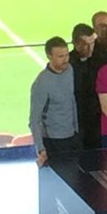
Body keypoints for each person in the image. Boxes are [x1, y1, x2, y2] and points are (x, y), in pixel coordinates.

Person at [29, 36, 79, 166]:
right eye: (60, 56)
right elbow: (34, 120)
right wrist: (41, 149)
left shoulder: (70, 70)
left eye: (67, 55)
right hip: (53, 141)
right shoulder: (42, 83)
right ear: (49, 56)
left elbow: (72, 101)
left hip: (72, 137)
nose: (65, 59)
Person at [70, 22, 104, 150]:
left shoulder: (100, 60)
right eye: (85, 44)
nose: (90, 49)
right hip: (76, 121)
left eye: (92, 43)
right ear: (76, 43)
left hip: (97, 120)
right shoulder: (68, 64)